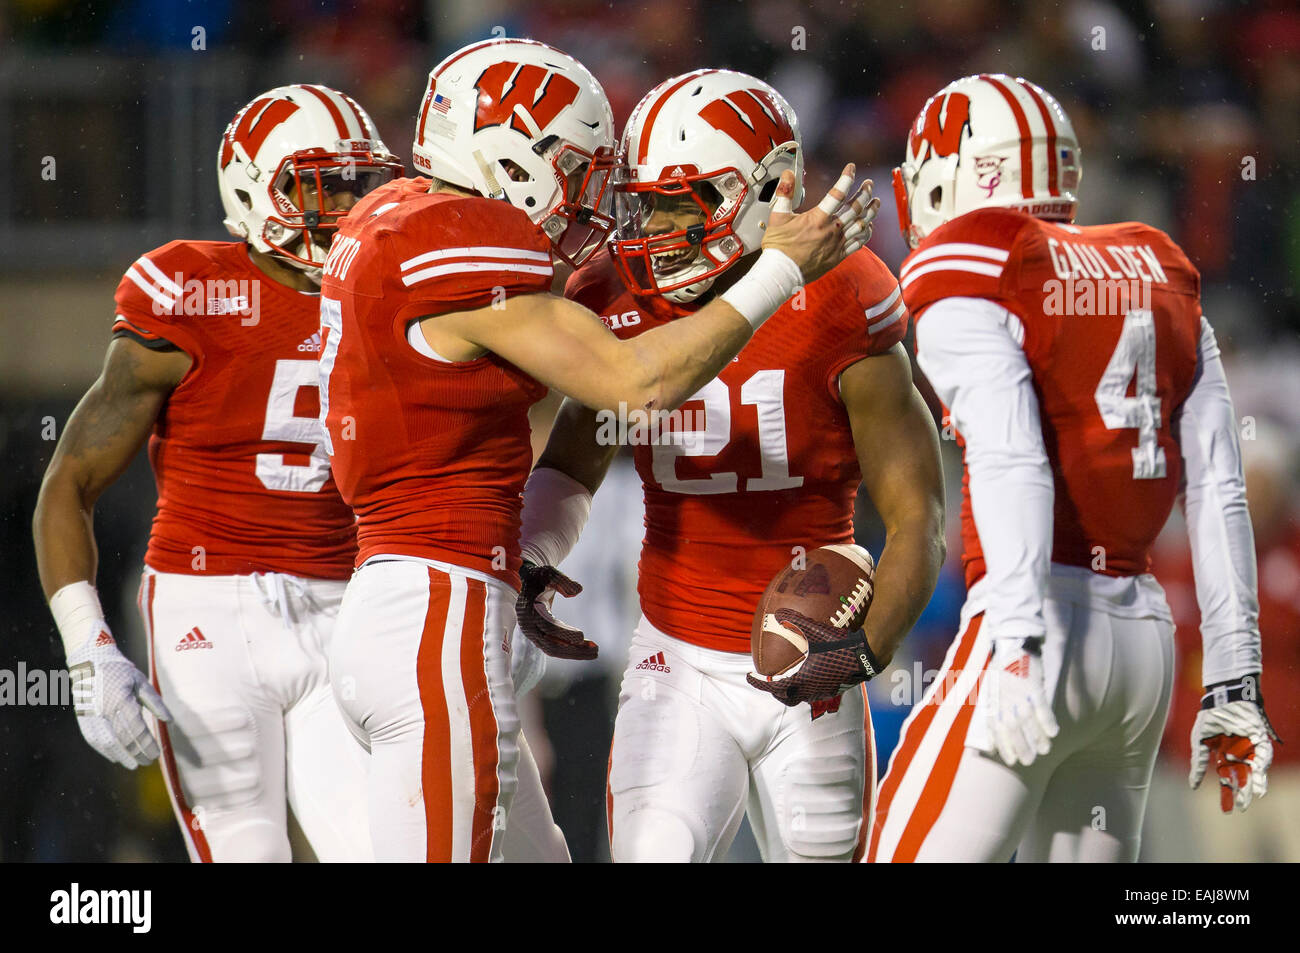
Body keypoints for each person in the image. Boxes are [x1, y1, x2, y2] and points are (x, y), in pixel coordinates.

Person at [318, 39, 877, 862]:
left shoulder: (388, 215)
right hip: (432, 613)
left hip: (405, 596)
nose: (587, 208)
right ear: (508, 157)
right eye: (575, 173)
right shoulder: (462, 236)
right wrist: (779, 272)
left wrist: (530, 554)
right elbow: (637, 388)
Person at [520, 69, 946, 862]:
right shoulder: (617, 289)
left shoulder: (844, 292)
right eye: (644, 202)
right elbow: (578, 455)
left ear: (764, 192)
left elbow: (920, 510)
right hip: (674, 651)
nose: (652, 226)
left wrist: (861, 651)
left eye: (680, 203)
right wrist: (534, 555)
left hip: (812, 644)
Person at [870, 73, 1277, 863]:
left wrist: (1018, 638)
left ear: (959, 176)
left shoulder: (969, 263)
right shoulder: (1158, 266)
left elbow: (1011, 450)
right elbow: (1218, 490)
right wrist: (1233, 679)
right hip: (1141, 644)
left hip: (1035, 624)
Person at [33, 85, 401, 862]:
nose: (344, 204)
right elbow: (69, 483)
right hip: (209, 609)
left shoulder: (390, 295)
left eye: (356, 183)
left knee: (381, 850)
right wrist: (88, 649)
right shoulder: (193, 291)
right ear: (254, 188)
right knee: (246, 853)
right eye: (320, 183)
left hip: (346, 604)